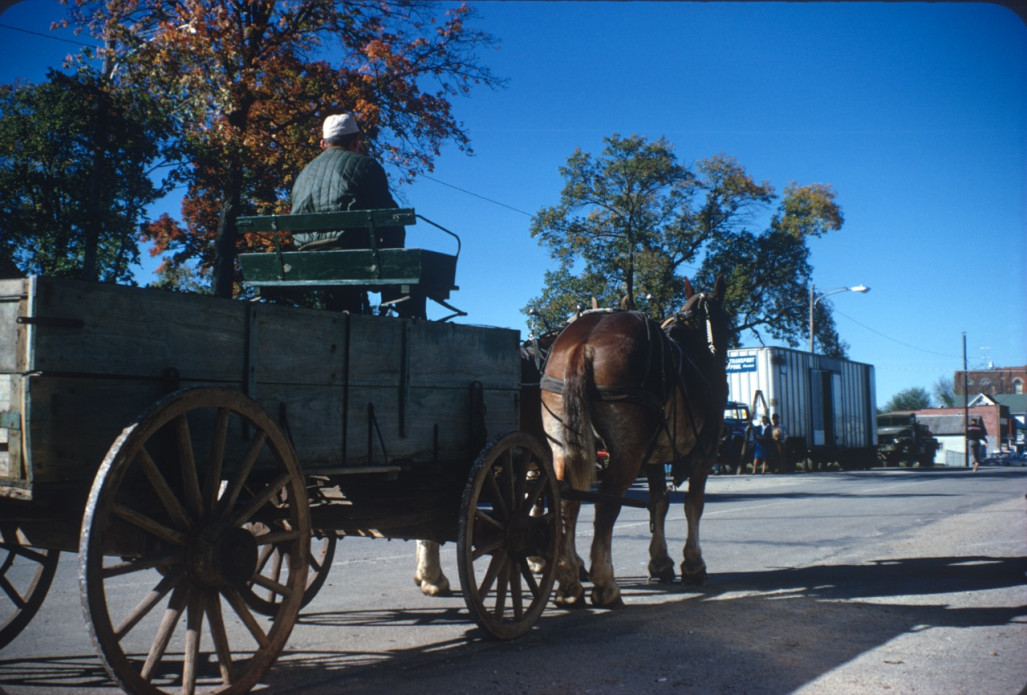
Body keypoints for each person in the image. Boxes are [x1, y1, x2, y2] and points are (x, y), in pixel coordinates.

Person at [290, 112, 424, 318]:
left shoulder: (304, 174)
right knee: (411, 266)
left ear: (322, 144)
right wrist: (391, 258)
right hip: (354, 258)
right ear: (356, 142)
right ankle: (406, 325)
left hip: (308, 259)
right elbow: (391, 219)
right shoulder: (365, 165)